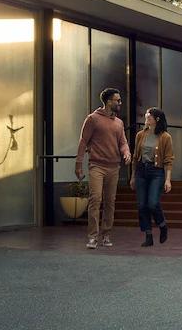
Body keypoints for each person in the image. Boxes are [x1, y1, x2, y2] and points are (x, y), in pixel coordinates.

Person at [76, 88, 131, 249]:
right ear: (108, 101)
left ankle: (106, 235)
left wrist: (126, 152)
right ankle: (92, 237)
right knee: (95, 199)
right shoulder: (93, 119)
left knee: (110, 202)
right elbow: (83, 141)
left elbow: (123, 142)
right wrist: (78, 165)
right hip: (97, 166)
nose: (120, 103)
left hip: (114, 167)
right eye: (117, 100)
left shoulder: (119, 123)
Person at [130, 107, 174, 247]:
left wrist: (167, 180)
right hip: (141, 171)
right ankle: (148, 235)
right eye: (146, 116)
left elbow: (168, 160)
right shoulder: (140, 135)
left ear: (157, 119)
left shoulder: (165, 137)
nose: (147, 118)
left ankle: (162, 226)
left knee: (152, 203)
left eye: (149, 116)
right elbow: (136, 158)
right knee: (142, 205)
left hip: (157, 172)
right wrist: (132, 177)